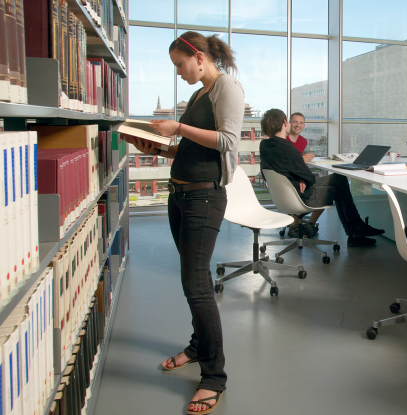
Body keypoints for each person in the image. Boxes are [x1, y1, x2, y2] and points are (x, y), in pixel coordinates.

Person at [122, 31, 244, 414]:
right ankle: (198, 345)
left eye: (180, 64)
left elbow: (227, 140)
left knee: (195, 282)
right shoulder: (196, 96)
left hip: (204, 197)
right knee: (194, 278)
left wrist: (177, 128)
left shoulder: (228, 88)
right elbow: (192, 146)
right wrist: (160, 147)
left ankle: (214, 377)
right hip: (180, 194)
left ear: (199, 57)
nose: (178, 72)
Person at [259, 109, 385, 247]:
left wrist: (301, 177)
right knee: (338, 184)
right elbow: (309, 177)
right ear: (284, 123)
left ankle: (355, 230)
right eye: (290, 121)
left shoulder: (264, 145)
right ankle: (355, 229)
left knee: (338, 178)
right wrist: (304, 177)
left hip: (284, 195)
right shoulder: (288, 148)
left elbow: (277, 170)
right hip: (301, 197)